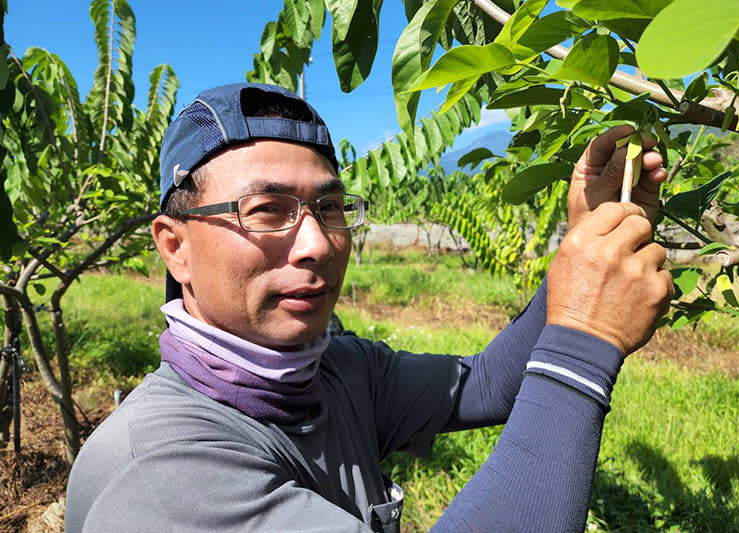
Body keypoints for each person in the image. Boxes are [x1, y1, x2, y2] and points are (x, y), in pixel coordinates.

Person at [64, 82, 672, 532]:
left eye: (329, 209)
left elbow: (484, 384)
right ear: (176, 247)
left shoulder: (338, 372)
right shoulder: (163, 477)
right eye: (267, 210)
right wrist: (582, 342)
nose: (317, 244)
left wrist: (582, 250)